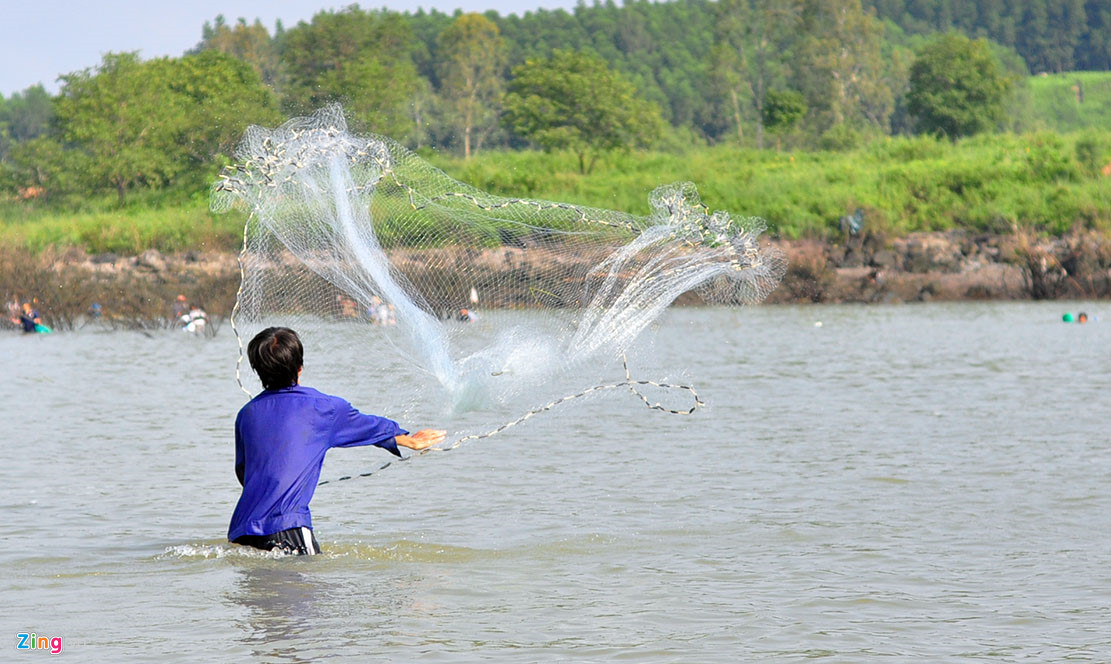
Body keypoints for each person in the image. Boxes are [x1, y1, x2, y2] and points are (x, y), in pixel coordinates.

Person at [229, 327, 445, 556]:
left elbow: (244, 473)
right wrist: (408, 440)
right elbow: (368, 426)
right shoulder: (323, 408)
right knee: (306, 589)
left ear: (257, 371)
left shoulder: (246, 414)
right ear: (300, 369)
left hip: (241, 530)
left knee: (259, 591)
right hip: (286, 528)